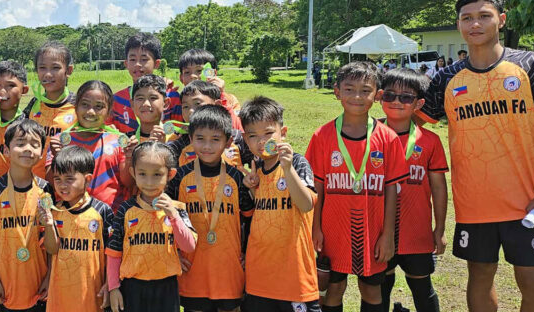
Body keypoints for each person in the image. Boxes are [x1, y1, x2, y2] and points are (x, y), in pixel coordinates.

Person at [416, 0, 534, 310]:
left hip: (528, 200)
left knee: (533, 284)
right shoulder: (445, 78)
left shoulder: (531, 65)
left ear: (502, 19)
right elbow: (413, 119)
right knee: (480, 277)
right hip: (474, 203)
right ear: (458, 24)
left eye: (484, 15)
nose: (475, 23)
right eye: (467, 17)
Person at [305, 61, 408, 312]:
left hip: (373, 230)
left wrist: (388, 235)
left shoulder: (388, 138)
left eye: (365, 90)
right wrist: (315, 227)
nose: (357, 96)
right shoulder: (322, 136)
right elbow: (316, 188)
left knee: (372, 290)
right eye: (349, 89)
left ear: (377, 95)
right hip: (332, 230)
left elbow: (392, 191)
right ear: (337, 91)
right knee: (332, 289)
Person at [238, 97, 321, 312]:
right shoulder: (254, 170)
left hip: (294, 278)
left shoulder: (297, 163)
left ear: (282, 133)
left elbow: (305, 205)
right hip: (259, 279)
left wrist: (288, 169)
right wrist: (248, 187)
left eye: (268, 133)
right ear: (246, 140)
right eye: (253, 136)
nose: (261, 141)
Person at [164, 105, 250, 312]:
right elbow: (165, 220)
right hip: (193, 268)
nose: (207, 146)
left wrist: (248, 252)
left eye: (215, 139)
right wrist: (172, 253)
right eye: (200, 138)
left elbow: (249, 219)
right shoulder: (179, 178)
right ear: (191, 139)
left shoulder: (238, 177)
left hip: (228, 267)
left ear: (228, 141)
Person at [377, 68, 448, 312]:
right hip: (378, 231)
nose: (397, 101)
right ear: (379, 97)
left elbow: (439, 188)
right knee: (379, 289)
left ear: (418, 103)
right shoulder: (367, 136)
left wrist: (439, 229)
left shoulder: (429, 141)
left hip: (416, 231)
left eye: (406, 97)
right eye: (390, 95)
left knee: (422, 289)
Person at [106, 142, 197, 312]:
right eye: (142, 174)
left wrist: (173, 216)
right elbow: (114, 252)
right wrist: (113, 288)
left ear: (170, 174)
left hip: (166, 287)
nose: (149, 182)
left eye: (157, 174)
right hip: (132, 287)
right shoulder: (126, 210)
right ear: (133, 172)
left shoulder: (177, 208)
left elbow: (189, 246)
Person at [0, 118, 51, 312]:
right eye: (20, 144)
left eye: (35, 145)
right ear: (6, 151)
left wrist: (50, 276)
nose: (28, 149)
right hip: (6, 281)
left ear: (42, 152)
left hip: (38, 281)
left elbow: (51, 237)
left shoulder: (45, 190)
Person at [40, 145, 115, 312]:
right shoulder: (55, 211)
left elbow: (112, 252)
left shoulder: (102, 211)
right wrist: (49, 224)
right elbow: (52, 249)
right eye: (57, 179)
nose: (62, 185)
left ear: (87, 179)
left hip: (92, 294)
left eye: (69, 179)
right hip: (61, 295)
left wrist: (110, 284)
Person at [46, 80, 131, 209]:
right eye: (85, 104)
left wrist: (129, 156)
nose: (91, 112)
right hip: (69, 219)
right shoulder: (61, 141)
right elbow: (51, 183)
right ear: (75, 107)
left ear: (109, 112)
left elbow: (129, 183)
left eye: (99, 106)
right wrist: (57, 158)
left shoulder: (118, 142)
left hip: (108, 220)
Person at [23, 41, 78, 178]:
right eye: (42, 68)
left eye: (55, 68)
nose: (48, 74)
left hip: (66, 185)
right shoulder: (34, 104)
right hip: (34, 184)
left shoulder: (79, 105)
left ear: (68, 71)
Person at [167, 80, 244, 168]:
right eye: (185, 107)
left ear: (217, 105)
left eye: (197, 104)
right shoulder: (178, 144)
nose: (191, 111)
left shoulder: (236, 137)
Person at [108, 33, 170, 134]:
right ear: (126, 64)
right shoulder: (116, 100)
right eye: (132, 59)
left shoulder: (171, 95)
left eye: (144, 59)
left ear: (157, 63)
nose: (137, 64)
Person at [171, 49, 238, 122]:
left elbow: (236, 127)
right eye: (187, 72)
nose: (193, 76)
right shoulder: (176, 101)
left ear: (213, 73)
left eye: (199, 70)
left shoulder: (230, 100)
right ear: (181, 78)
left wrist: (221, 95)